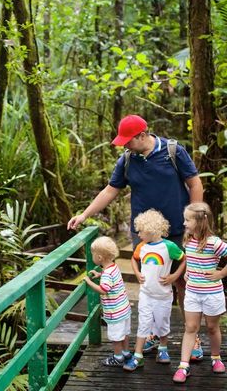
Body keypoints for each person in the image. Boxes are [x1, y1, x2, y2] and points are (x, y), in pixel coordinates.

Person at [67, 114, 204, 358]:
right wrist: (84, 214)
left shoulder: (173, 151)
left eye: (128, 140)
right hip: (145, 235)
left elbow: (194, 184)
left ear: (143, 135)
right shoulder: (127, 160)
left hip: (177, 231)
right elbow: (111, 190)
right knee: (149, 283)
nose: (124, 145)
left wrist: (195, 222)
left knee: (183, 284)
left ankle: (191, 338)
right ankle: (152, 334)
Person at [122, 209, 185, 371]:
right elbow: (133, 259)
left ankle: (163, 349)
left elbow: (184, 259)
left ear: (150, 230)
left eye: (141, 231)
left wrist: (174, 276)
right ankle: (138, 356)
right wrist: (136, 273)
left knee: (163, 323)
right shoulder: (141, 247)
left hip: (163, 295)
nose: (139, 234)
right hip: (146, 294)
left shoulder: (168, 246)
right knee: (143, 324)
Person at [173, 202, 227, 383]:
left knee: (212, 328)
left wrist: (220, 273)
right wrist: (189, 271)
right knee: (190, 328)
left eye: (187, 220)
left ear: (200, 222)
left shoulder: (214, 242)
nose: (184, 223)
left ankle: (215, 357)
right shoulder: (188, 239)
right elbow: (190, 258)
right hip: (193, 293)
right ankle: (183, 365)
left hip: (212, 293)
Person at [85, 236, 132, 367]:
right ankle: (126, 352)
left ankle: (118, 357)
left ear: (99, 258)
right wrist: (100, 275)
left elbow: (103, 290)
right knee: (125, 333)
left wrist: (89, 282)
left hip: (114, 311)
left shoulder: (106, 274)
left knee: (116, 337)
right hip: (124, 308)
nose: (92, 256)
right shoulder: (113, 267)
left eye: (93, 254)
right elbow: (111, 281)